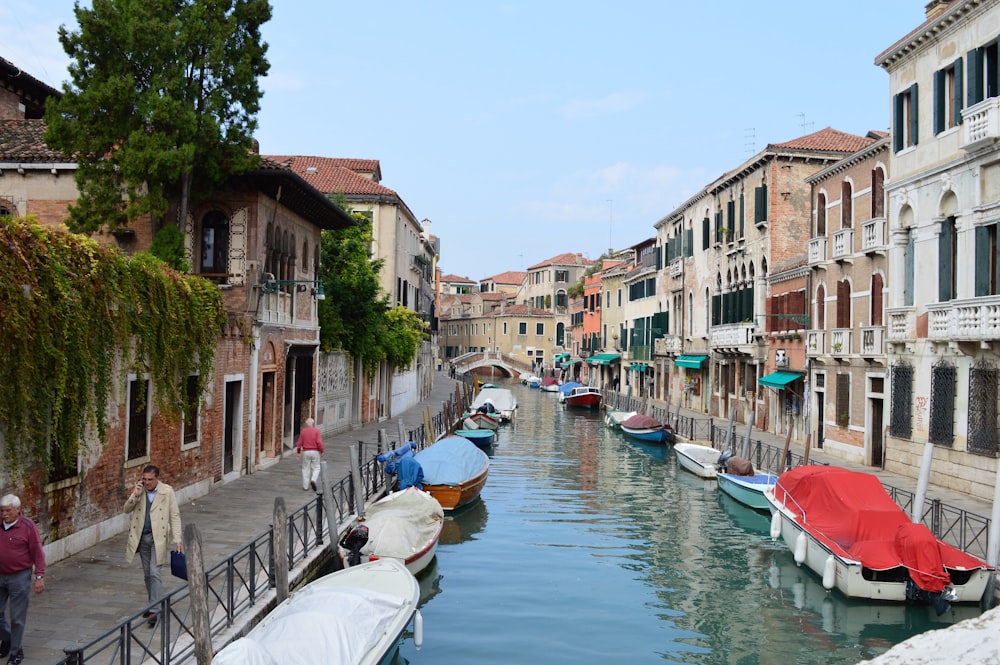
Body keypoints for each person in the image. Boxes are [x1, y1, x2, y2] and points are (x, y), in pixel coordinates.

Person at [123, 465, 183, 628]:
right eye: (145, 479)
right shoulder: (139, 490)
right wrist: (135, 496)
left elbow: (174, 516)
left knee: (155, 572)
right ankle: (152, 604)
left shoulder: (167, 492)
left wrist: (178, 539)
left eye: (150, 480)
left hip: (158, 538)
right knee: (147, 574)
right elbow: (126, 509)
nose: (147, 482)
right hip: (141, 538)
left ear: (157, 478)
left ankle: (154, 610)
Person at [0, 495, 45, 665]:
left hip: (19, 576)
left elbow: (37, 552)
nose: (4, 514)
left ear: (18, 510)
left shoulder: (27, 526)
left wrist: (39, 576)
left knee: (17, 618)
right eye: (2, 511)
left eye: (8, 511)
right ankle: (7, 637)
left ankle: (16, 652)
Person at [296, 417, 324, 492]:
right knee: (317, 467)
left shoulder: (303, 432)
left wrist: (298, 453)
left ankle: (305, 487)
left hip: (306, 452)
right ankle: (313, 479)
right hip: (315, 452)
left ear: (306, 424)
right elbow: (319, 443)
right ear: (313, 423)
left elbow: (299, 444)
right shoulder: (316, 431)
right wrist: (321, 451)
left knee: (305, 468)